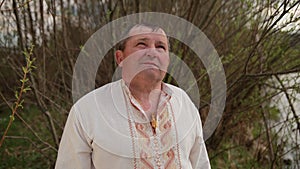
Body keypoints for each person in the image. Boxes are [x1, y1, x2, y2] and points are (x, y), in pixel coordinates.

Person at [55, 23, 211, 169]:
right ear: (120, 58)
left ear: (168, 60)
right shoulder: (87, 110)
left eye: (160, 47)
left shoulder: (183, 102)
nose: (152, 52)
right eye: (142, 44)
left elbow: (201, 164)